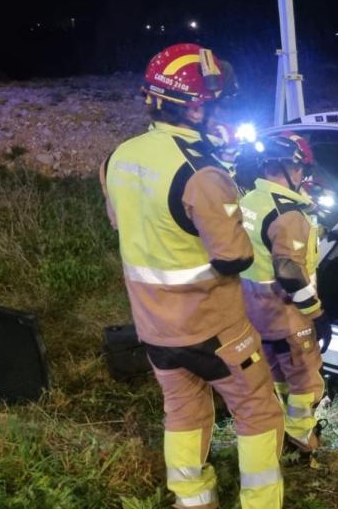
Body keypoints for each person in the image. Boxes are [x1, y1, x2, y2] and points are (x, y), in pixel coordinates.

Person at [101, 44, 284, 508]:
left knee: (182, 409)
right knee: (258, 410)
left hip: (154, 327)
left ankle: (192, 499)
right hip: (213, 327)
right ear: (198, 105)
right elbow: (234, 258)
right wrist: (231, 196)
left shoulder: (119, 156)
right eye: (215, 100)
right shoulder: (202, 172)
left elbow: (124, 222)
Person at [239, 134, 326, 455]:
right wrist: (316, 312)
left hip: (253, 307)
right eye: (301, 168)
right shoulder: (289, 216)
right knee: (305, 377)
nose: (304, 175)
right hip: (286, 311)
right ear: (289, 167)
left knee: (276, 369)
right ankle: (302, 437)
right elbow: (290, 270)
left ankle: (280, 421)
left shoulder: (249, 201)